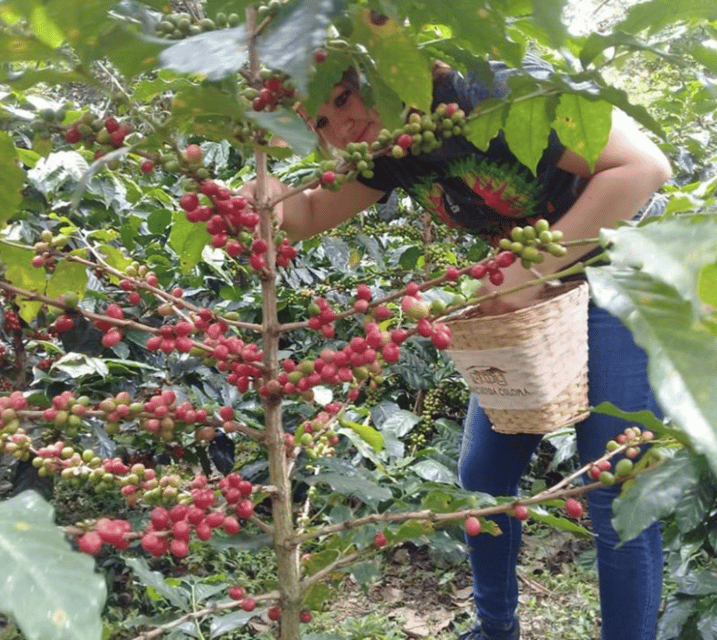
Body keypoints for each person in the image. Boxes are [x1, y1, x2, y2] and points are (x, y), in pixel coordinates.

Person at [248, 52, 671, 640]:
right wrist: (257, 189)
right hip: (534, 290)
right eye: (318, 122)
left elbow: (641, 168)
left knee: (613, 485)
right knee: (483, 476)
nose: (340, 127)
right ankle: (495, 630)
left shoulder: (484, 89)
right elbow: (310, 212)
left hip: (628, 270)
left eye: (342, 99)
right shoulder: (390, 147)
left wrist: (524, 276)